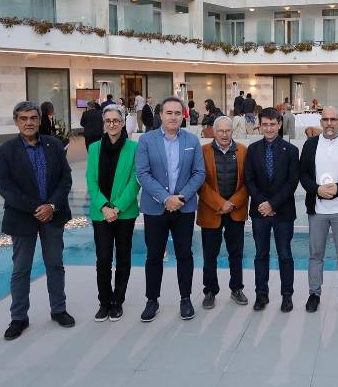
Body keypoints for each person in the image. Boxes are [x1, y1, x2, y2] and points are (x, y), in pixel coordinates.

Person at [0, 101, 74, 340]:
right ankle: (19, 317)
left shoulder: (54, 145)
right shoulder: (6, 151)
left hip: (53, 215)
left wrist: (51, 206)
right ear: (16, 121)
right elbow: (5, 188)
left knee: (55, 265)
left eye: (33, 118)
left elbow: (65, 179)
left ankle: (58, 309)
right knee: (21, 269)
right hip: (22, 218)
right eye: (23, 118)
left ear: (40, 120)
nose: (29, 122)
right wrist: (36, 208)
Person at [135, 97, 205, 322]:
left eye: (177, 113)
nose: (173, 117)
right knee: (154, 256)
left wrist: (181, 197)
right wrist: (166, 198)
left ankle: (185, 299)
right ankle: (152, 300)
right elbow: (143, 174)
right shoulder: (146, 140)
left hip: (183, 208)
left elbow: (199, 173)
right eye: (169, 112)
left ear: (183, 115)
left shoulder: (192, 140)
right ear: (161, 115)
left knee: (185, 255)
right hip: (156, 208)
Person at [299, 107, 338, 313]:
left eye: (333, 119)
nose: (329, 123)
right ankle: (314, 293)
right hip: (317, 210)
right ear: (321, 121)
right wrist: (316, 189)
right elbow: (303, 175)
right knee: (316, 254)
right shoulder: (310, 145)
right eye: (325, 119)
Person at [86, 104, 140, 322]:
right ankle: (104, 302)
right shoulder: (94, 148)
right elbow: (91, 180)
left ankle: (118, 301)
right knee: (103, 259)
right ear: (104, 123)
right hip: (101, 213)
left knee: (123, 258)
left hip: (124, 213)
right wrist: (104, 207)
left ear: (122, 122)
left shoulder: (133, 148)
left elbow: (135, 181)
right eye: (108, 121)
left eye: (116, 121)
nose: (112, 124)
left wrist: (117, 207)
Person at [244, 107, 300, 312]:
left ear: (279, 125)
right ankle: (261, 294)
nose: (268, 128)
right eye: (265, 124)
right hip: (260, 212)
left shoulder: (291, 150)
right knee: (261, 254)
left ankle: (287, 295)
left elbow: (292, 182)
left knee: (285, 254)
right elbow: (249, 180)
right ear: (260, 125)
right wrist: (263, 204)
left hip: (283, 212)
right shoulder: (253, 149)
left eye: (272, 124)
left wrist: (273, 204)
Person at [197, 116, 250, 309]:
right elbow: (199, 183)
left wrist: (233, 203)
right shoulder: (202, 152)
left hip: (236, 211)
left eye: (228, 131)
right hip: (212, 212)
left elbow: (248, 182)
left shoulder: (243, 151)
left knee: (236, 253)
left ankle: (237, 288)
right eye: (221, 131)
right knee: (210, 254)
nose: (225, 134)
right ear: (214, 131)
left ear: (232, 131)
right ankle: (210, 290)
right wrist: (220, 203)